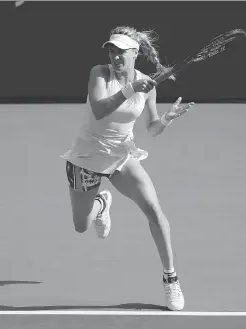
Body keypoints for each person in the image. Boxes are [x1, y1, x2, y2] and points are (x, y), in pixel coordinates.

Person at [61, 26, 194, 311]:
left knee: (155, 212)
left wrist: (167, 119)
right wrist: (131, 88)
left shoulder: (149, 84)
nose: (115, 57)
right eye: (112, 50)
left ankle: (171, 279)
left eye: (122, 52)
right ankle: (101, 203)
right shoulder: (99, 73)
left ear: (135, 53)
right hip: (86, 157)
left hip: (121, 157)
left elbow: (152, 127)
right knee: (81, 226)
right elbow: (99, 109)